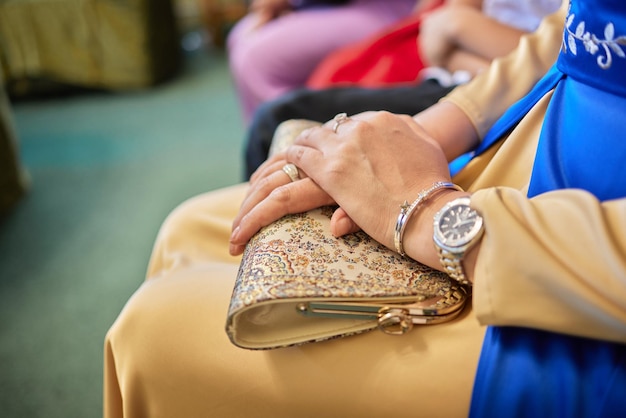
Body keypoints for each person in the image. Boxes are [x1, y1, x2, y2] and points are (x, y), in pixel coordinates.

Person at [104, 1, 626, 416]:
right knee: (190, 228)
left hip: (575, 284)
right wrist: (425, 132)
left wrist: (428, 215)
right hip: (520, 149)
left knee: (153, 333)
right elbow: (572, 28)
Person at [243, 0, 562, 178]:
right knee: (251, 50)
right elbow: (437, 38)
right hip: (463, 76)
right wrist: (457, 32)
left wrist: (459, 29)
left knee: (276, 110)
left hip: (506, 91)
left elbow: (561, 65)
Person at [227, 0, 417, 125]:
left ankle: (291, 156)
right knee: (240, 36)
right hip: (326, 4)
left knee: (256, 60)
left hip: (384, 8)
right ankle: (269, 154)